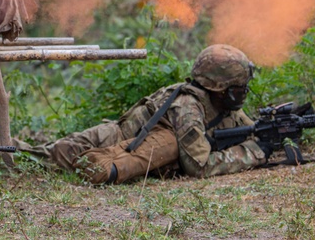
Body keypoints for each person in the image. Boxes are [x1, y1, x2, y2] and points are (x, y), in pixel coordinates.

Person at [49, 44, 271, 185]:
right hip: (116, 138)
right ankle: (14, 152)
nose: (244, 93)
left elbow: (251, 132)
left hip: (129, 144)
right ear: (220, 88)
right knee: (53, 154)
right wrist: (254, 153)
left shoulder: (219, 105)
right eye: (239, 89)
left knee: (53, 154)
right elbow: (199, 167)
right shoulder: (188, 109)